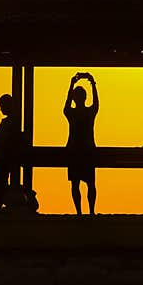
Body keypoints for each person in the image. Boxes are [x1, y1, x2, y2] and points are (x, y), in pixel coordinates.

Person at [64, 72, 98, 215]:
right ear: (85, 98)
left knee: (75, 184)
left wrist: (72, 83)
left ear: (73, 99)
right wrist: (92, 82)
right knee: (90, 183)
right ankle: (91, 211)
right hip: (88, 150)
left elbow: (66, 105)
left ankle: (79, 212)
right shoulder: (90, 112)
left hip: (74, 150)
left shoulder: (71, 113)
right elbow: (96, 102)